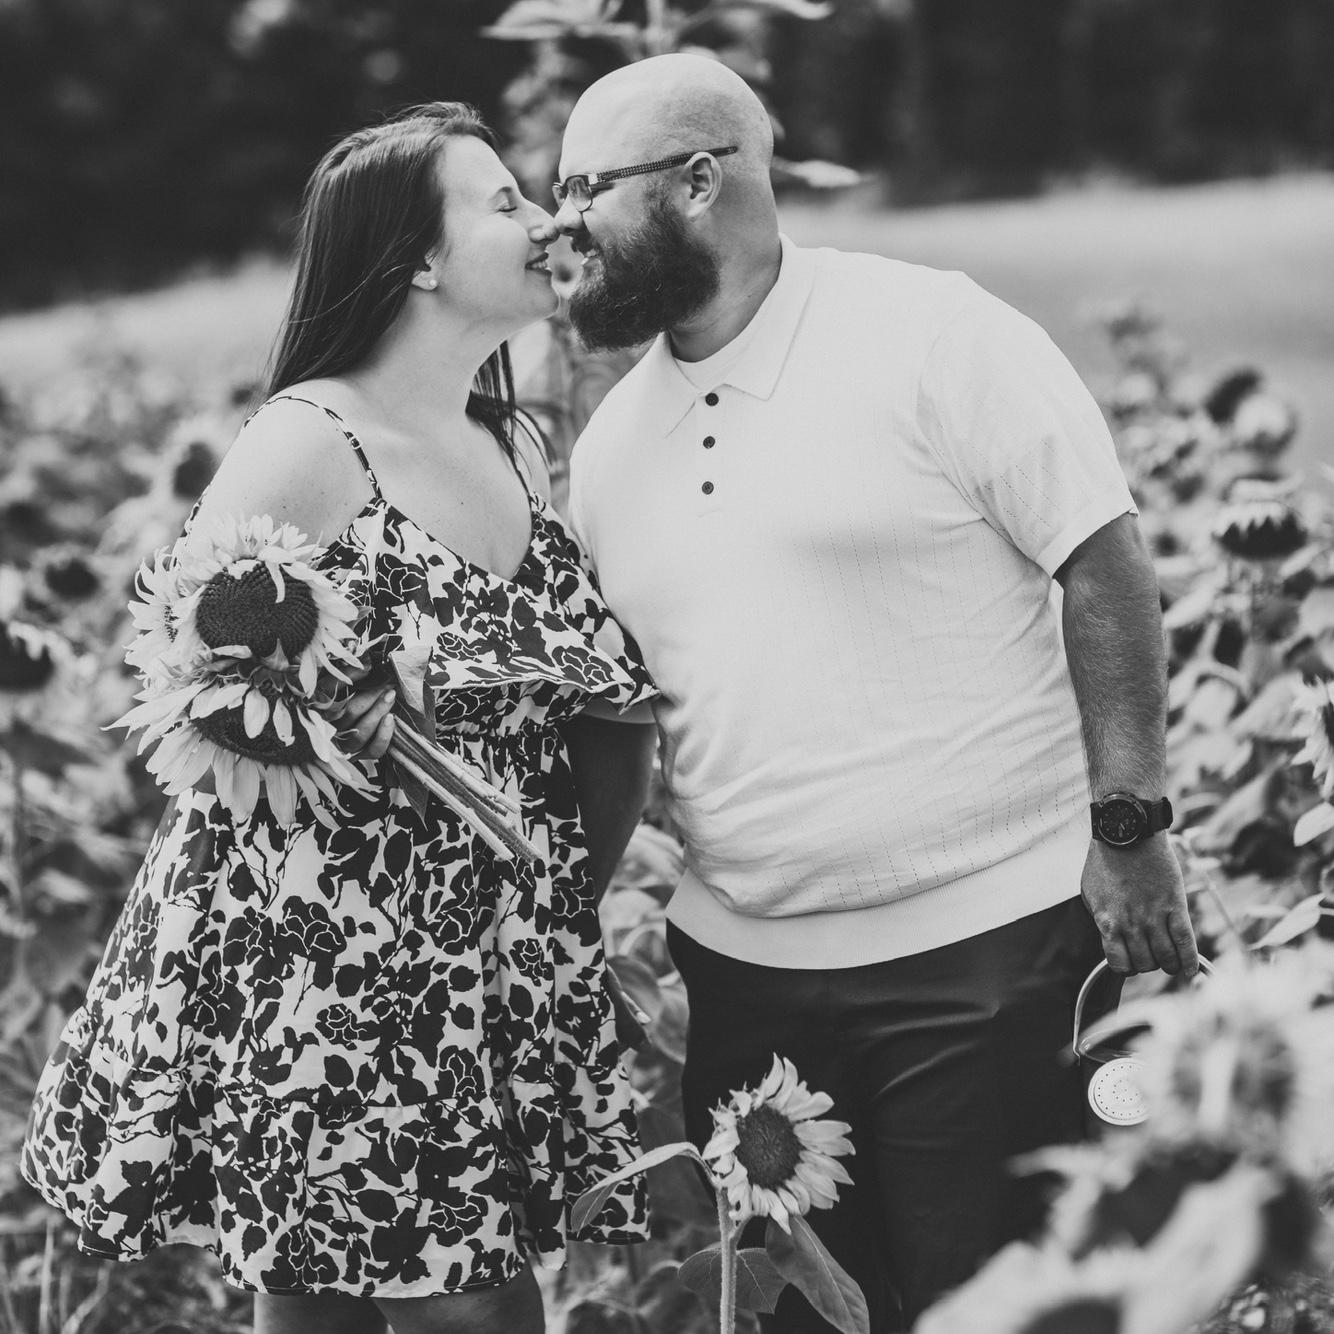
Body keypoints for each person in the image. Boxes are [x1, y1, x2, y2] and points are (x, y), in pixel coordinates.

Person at [551, 55, 1201, 1333]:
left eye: (586, 189)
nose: (562, 224)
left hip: (988, 960)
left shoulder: (932, 335)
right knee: (803, 1318)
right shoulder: (609, 445)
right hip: (749, 989)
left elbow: (1101, 559)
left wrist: (1129, 825)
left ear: (698, 182)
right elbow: (620, 723)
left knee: (1002, 1309)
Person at [22, 102, 658, 1334]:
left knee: (326, 1299)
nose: (545, 222)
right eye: (505, 202)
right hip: (326, 953)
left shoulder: (509, 445)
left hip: (481, 953)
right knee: (445, 1308)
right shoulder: (307, 441)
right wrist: (318, 706)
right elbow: (186, 683)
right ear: (417, 259)